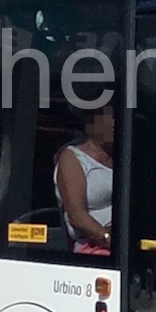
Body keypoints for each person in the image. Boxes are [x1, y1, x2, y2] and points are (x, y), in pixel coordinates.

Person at [56, 105, 117, 253]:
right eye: (109, 117)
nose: (114, 123)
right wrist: (110, 239)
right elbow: (77, 215)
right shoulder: (73, 157)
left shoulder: (127, 158)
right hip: (96, 247)